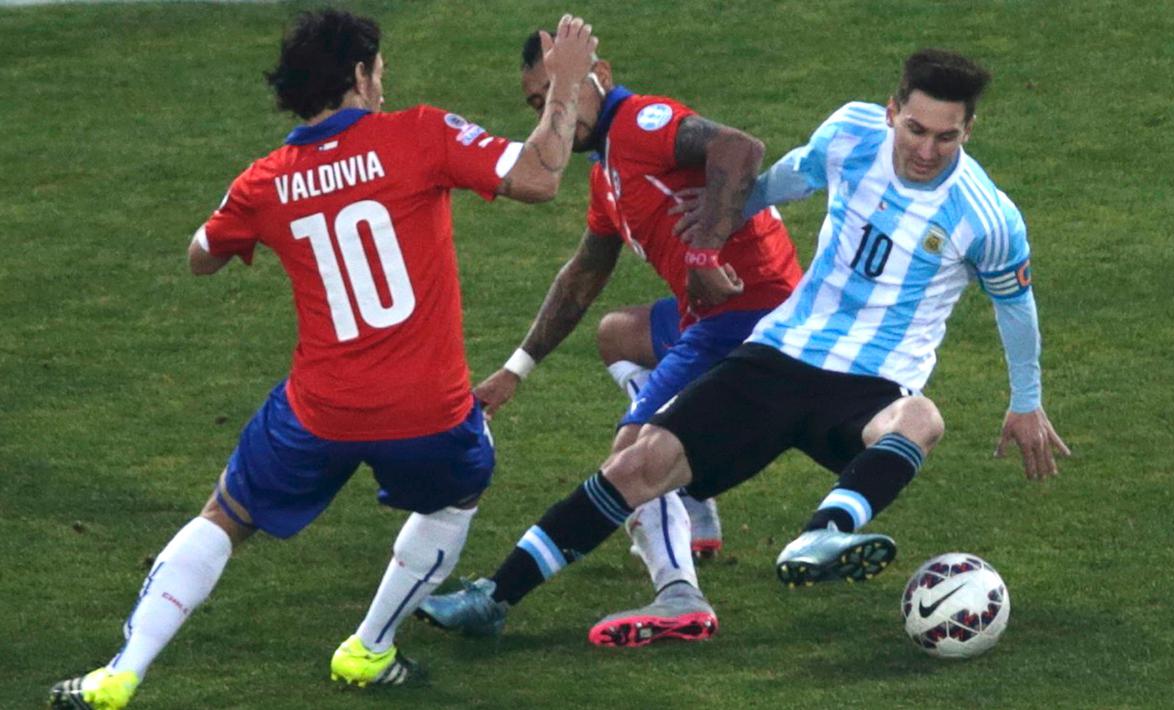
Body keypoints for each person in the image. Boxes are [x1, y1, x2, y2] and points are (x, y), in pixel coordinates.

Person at [417, 48, 1070, 645]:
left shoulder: (985, 216)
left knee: (921, 418)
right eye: (915, 130)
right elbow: (785, 180)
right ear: (891, 112)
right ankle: (492, 598)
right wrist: (718, 218)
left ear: (968, 131)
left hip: (870, 384)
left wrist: (1026, 402)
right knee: (638, 464)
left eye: (946, 136)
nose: (926, 150)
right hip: (779, 354)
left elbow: (1015, 307)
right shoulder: (850, 133)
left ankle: (824, 535)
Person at [49, 10, 598, 709]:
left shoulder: (264, 181)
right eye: (378, 68)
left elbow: (200, 258)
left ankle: (121, 671)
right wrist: (564, 87)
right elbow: (540, 177)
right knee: (457, 493)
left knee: (225, 516)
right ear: (359, 76)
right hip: (428, 409)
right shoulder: (419, 133)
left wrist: (248, 203)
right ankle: (369, 648)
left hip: (321, 408)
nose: (383, 80)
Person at [424, 31, 801, 648]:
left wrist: (705, 246)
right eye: (539, 103)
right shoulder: (607, 174)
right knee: (619, 336)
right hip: (708, 313)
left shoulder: (641, 125)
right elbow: (583, 275)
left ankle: (676, 590)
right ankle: (689, 499)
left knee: (632, 449)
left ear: (598, 73)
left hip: (747, 313)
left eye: (562, 91)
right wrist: (517, 367)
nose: (554, 111)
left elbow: (741, 147)